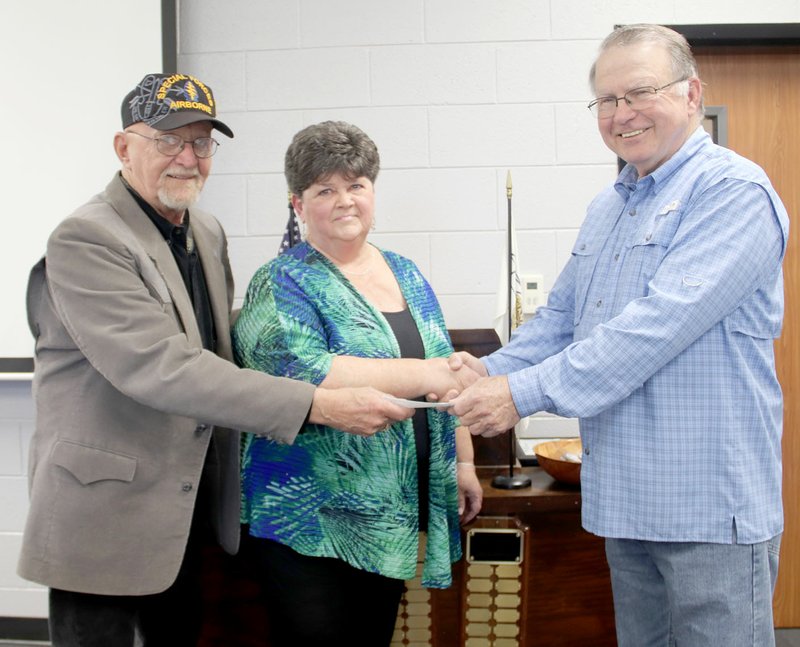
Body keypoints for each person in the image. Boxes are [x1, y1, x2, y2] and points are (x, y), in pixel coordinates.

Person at [18, 74, 413, 647]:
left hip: (187, 512)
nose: (188, 158)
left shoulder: (203, 229)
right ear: (124, 147)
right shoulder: (86, 240)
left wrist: (311, 346)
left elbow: (217, 339)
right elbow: (162, 365)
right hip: (104, 514)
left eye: (202, 142)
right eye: (168, 140)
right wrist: (317, 403)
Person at [447, 24, 789, 647]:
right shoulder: (611, 207)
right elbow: (561, 320)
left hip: (707, 507)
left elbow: (651, 332)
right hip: (628, 500)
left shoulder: (733, 192)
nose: (620, 114)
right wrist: (487, 371)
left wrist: (519, 393)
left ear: (691, 94)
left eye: (639, 93)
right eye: (606, 100)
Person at [232, 120, 483, 646]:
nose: (345, 201)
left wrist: (462, 462)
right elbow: (303, 368)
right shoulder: (280, 280)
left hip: (389, 515)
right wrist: (429, 373)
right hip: (309, 518)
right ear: (298, 204)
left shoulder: (406, 272)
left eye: (356, 185)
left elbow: (446, 377)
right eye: (325, 190)